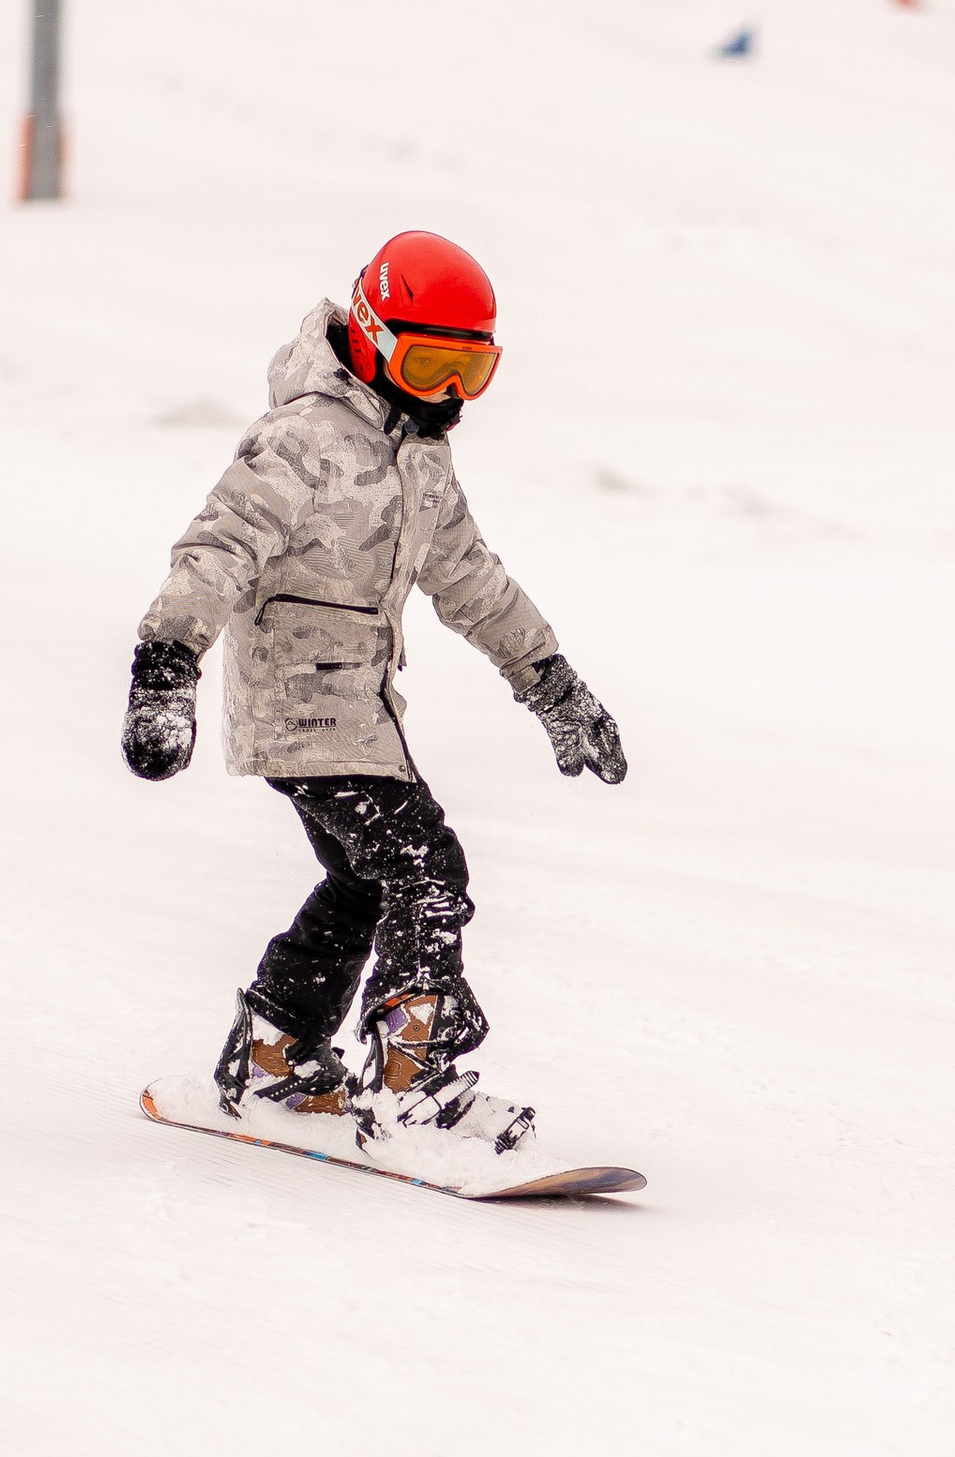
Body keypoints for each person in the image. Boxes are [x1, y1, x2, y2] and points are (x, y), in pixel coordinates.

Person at [122, 231, 624, 1165]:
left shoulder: (420, 457)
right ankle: (412, 1088)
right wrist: (166, 667)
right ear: (374, 335)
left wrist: (550, 682)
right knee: (426, 871)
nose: (446, 396)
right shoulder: (301, 442)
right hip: (300, 708)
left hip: (363, 713)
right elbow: (216, 549)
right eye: (432, 365)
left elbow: (471, 578)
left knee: (364, 880)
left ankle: (276, 1053)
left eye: (470, 373)